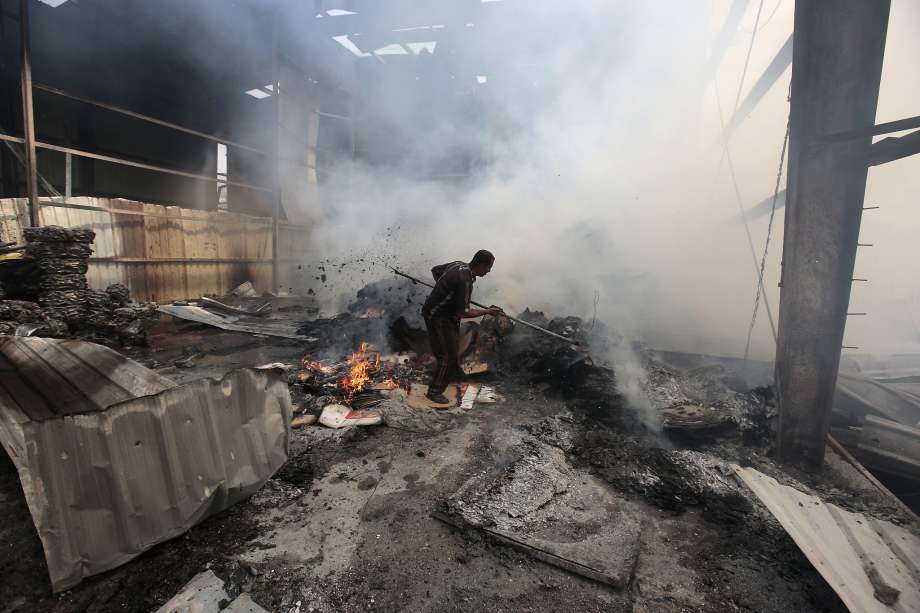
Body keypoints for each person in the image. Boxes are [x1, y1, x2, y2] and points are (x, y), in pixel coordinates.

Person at [421, 250, 502, 404]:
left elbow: (436, 270)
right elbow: (463, 312)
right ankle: (434, 392)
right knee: (446, 357)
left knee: (452, 350)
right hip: (438, 316)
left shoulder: (458, 265)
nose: (489, 271)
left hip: (444, 315)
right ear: (481, 264)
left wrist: (447, 291)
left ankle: (449, 374)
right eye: (489, 267)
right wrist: (488, 311)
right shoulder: (464, 280)